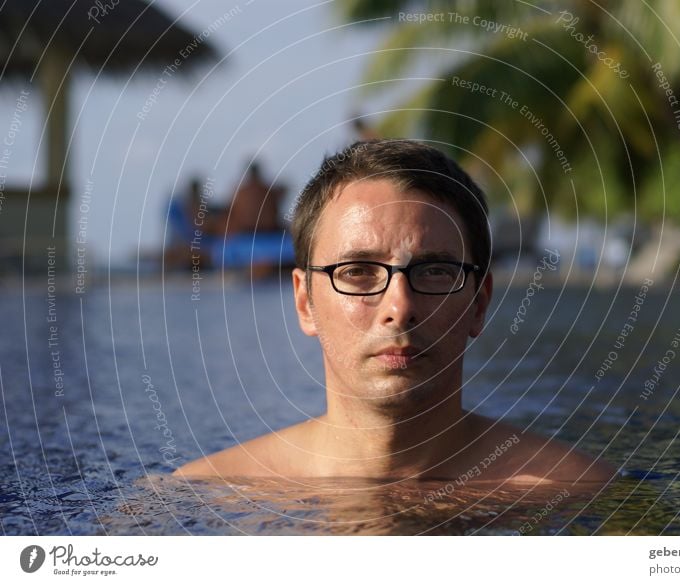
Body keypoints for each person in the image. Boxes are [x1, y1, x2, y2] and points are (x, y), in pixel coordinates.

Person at [175, 139, 615, 485]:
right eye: (358, 271)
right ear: (306, 302)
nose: (399, 308)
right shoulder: (206, 493)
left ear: (479, 304)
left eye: (435, 271)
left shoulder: (574, 492)